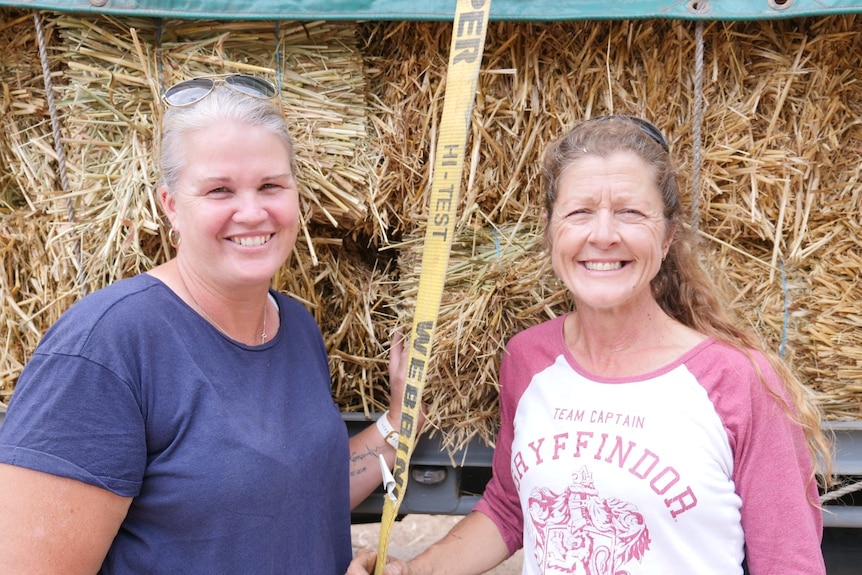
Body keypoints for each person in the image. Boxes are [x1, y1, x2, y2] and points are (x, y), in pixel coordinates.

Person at [347, 115, 832, 575]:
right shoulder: (527, 359)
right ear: (551, 229)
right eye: (580, 212)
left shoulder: (738, 381)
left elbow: (790, 562)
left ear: (667, 237)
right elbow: (511, 508)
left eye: (630, 213)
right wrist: (414, 569)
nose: (603, 235)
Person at [0, 75, 407, 574]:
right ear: (169, 204)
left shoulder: (296, 327)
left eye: (271, 186)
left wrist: (402, 418)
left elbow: (291, 495)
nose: (253, 212)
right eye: (219, 190)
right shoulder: (107, 348)